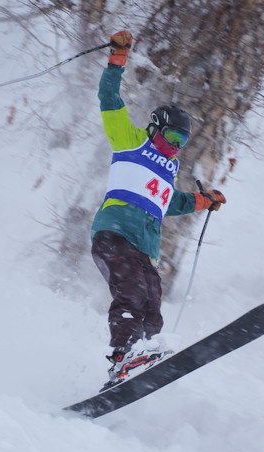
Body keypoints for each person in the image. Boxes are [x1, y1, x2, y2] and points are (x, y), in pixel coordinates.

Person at [91, 30, 227, 383]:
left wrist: (203, 200)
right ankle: (122, 357)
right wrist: (118, 59)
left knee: (153, 310)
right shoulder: (131, 141)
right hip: (116, 233)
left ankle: (141, 361)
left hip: (145, 246)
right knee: (131, 294)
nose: (174, 145)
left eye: (181, 141)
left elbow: (170, 202)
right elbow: (108, 98)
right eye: (170, 137)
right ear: (155, 129)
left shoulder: (170, 169)